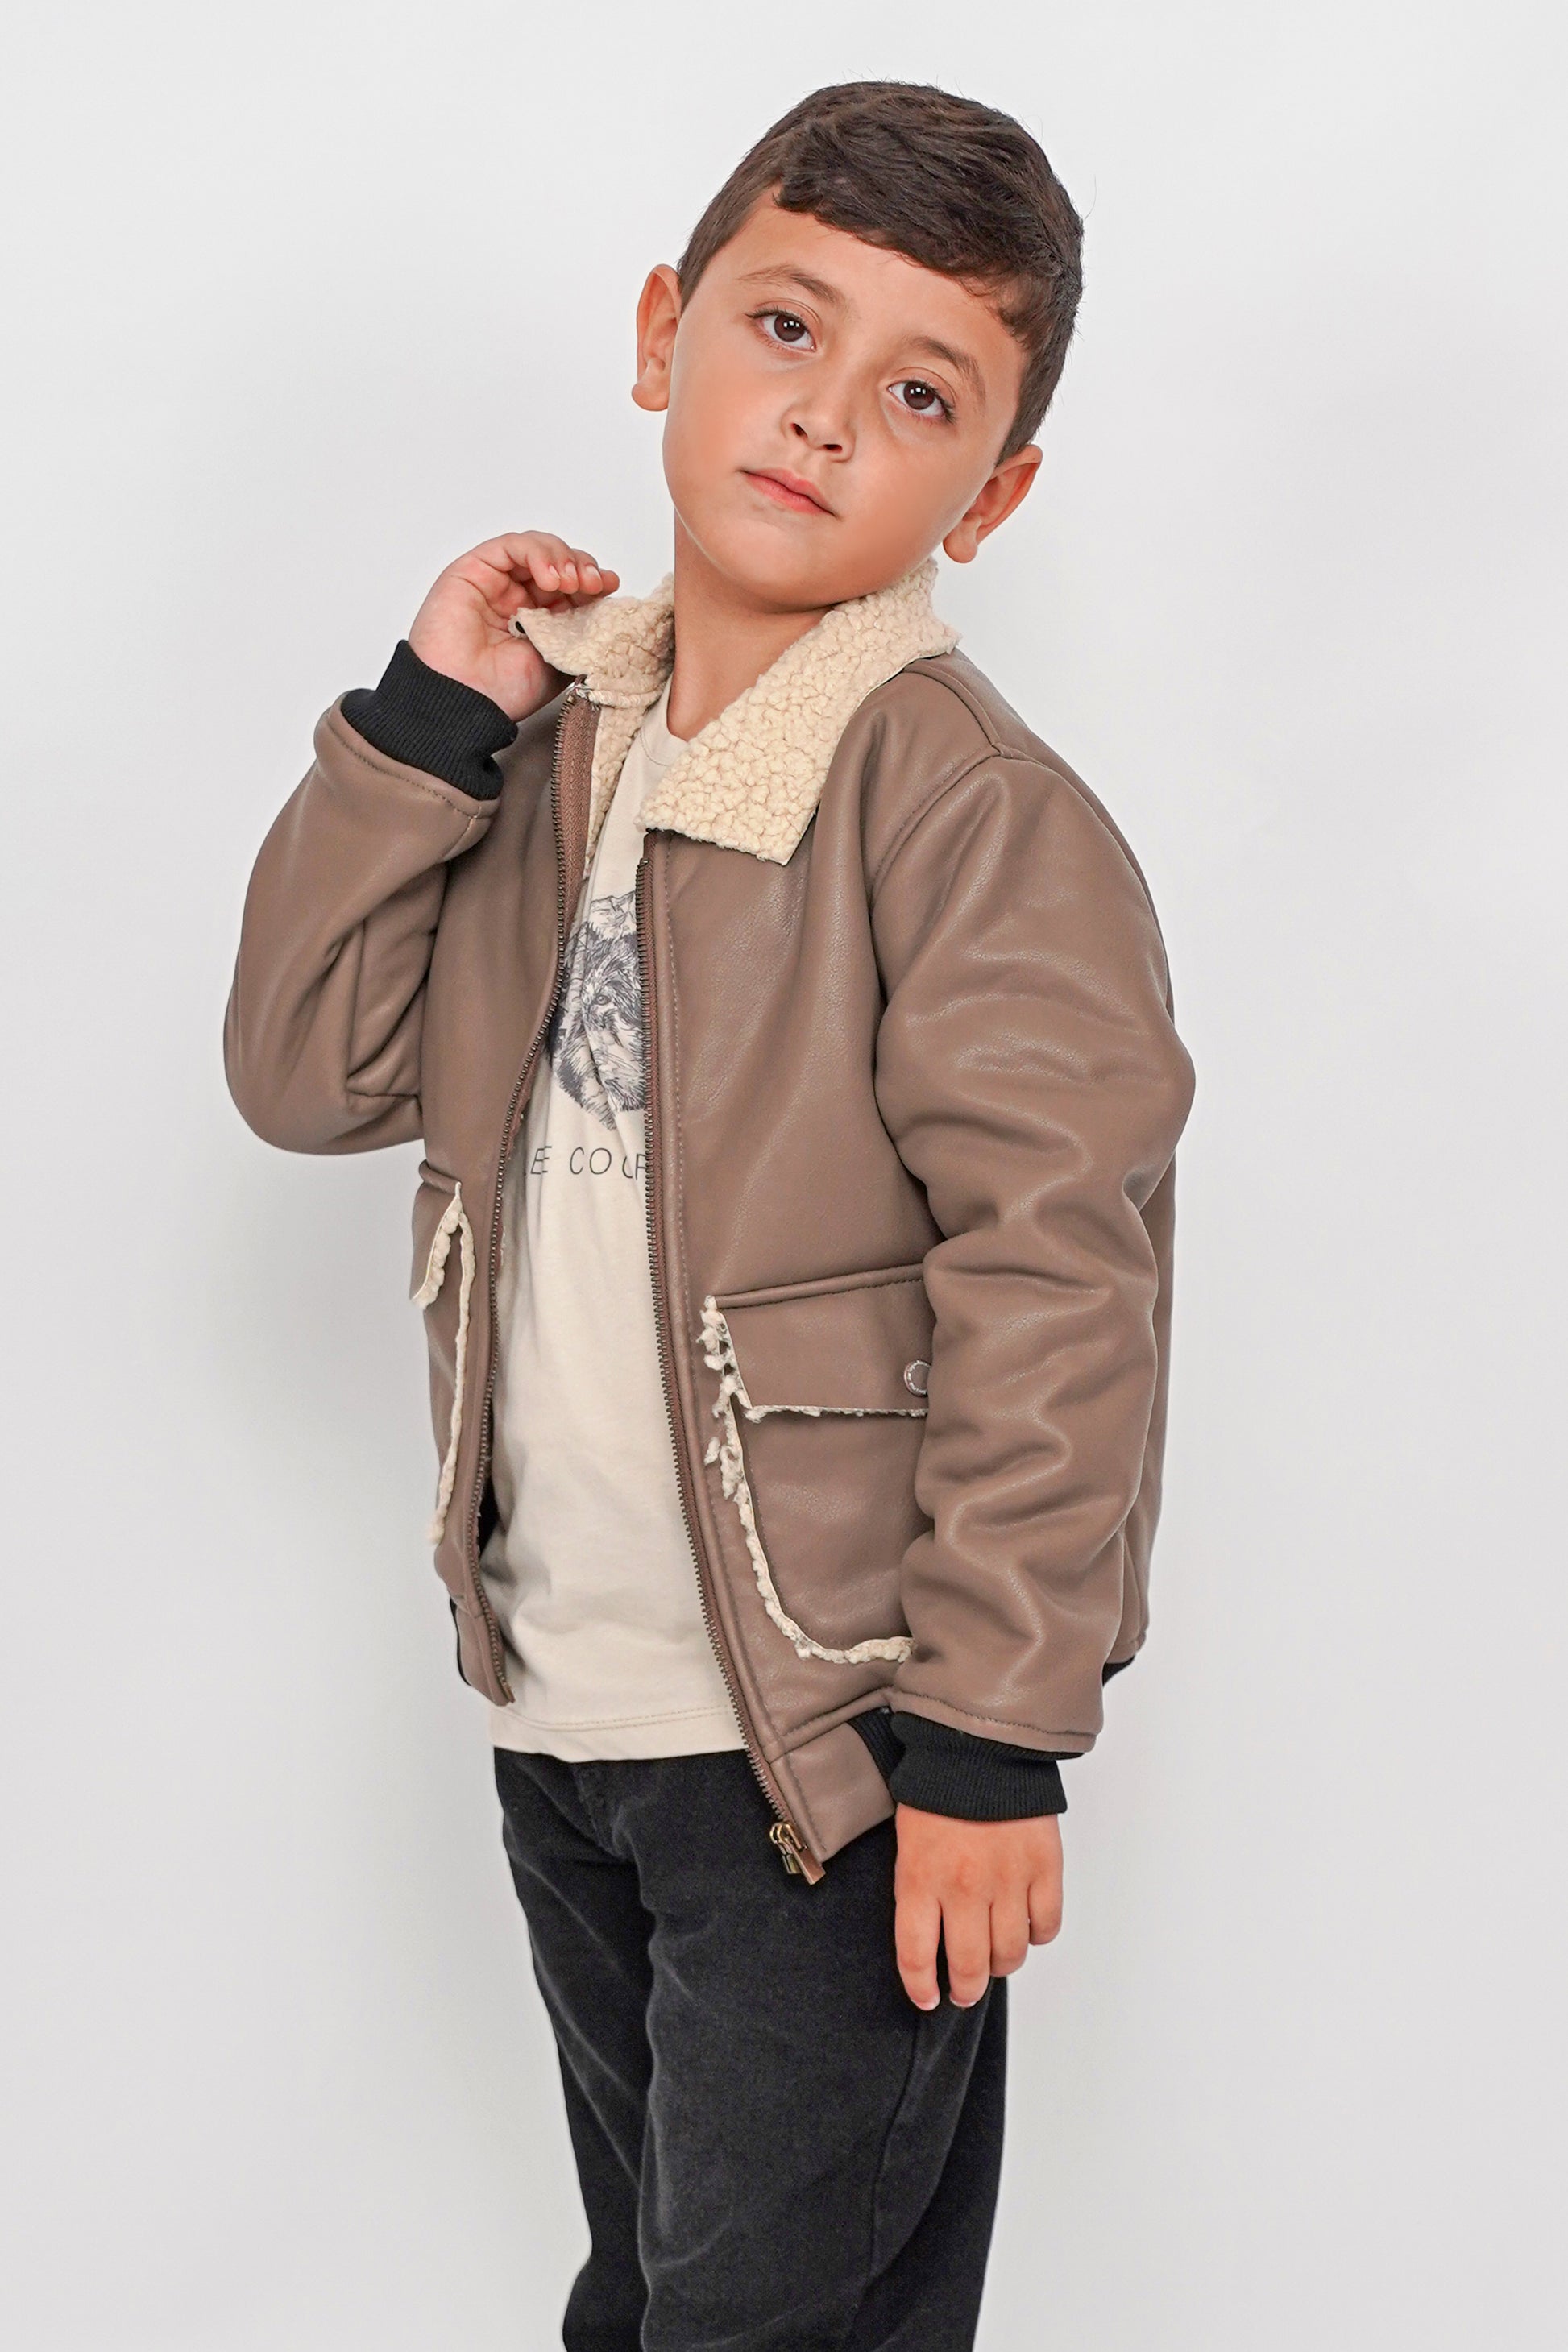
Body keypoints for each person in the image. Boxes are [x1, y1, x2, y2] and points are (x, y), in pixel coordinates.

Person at [225, 79, 1195, 2352]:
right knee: (652, 2300)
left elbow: (1061, 1271)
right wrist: (422, 729)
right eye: (784, 326)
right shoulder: (552, 751)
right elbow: (306, 1070)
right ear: (664, 333)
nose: (825, 415)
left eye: (923, 394)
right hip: (569, 1715)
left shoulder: (965, 808)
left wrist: (990, 1741)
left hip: (825, 1755)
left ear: (996, 491)